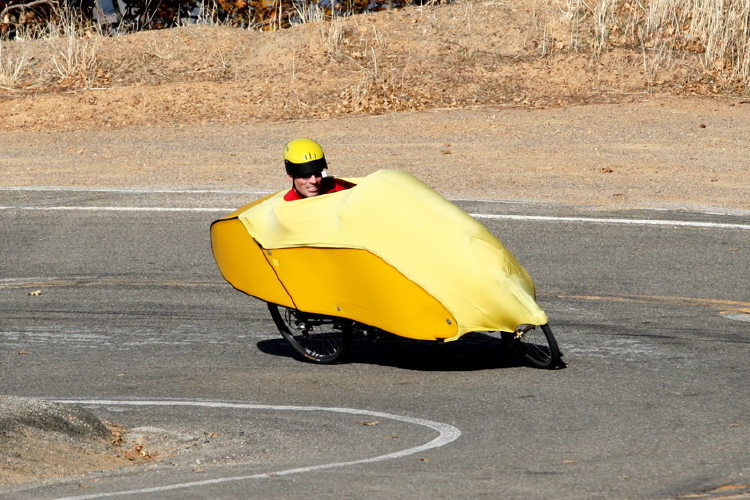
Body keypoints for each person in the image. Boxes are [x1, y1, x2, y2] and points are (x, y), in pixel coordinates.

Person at [282, 138, 355, 201]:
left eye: (317, 173)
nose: (313, 181)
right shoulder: (287, 206)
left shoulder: (340, 189)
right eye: (305, 176)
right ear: (290, 177)